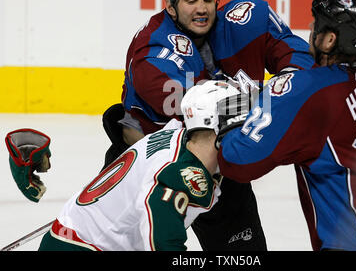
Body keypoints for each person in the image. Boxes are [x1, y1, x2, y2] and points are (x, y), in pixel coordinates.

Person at [102, 0, 315, 250]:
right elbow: (199, 108)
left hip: (218, 165)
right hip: (150, 167)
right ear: (171, 5)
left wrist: (288, 86)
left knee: (243, 255)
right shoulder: (152, 49)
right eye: (191, 0)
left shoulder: (246, 22)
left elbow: (303, 64)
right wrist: (272, 98)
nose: (202, 9)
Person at [217, 0, 356, 251]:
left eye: (316, 24)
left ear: (329, 40)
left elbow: (239, 161)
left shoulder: (307, 89)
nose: (310, 27)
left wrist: (229, 122)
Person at [38, 81, 243, 251]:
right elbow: (164, 246)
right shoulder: (176, 178)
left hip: (75, 235)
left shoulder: (178, 134)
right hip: (82, 246)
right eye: (240, 122)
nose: (248, 131)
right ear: (216, 126)